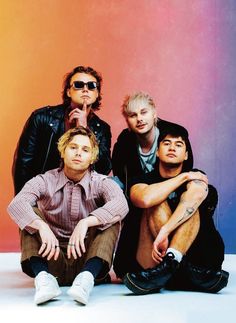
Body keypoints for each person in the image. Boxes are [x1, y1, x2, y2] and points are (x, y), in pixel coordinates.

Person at [8, 126, 128, 305]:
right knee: (29, 215)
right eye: (73, 147)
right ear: (63, 152)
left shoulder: (100, 182)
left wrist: (86, 222)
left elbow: (121, 204)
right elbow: (16, 204)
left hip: (86, 257)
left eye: (85, 150)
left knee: (110, 218)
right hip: (51, 257)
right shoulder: (44, 180)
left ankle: (85, 281)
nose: (78, 153)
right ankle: (44, 280)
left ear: (92, 158)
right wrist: (41, 226)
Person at [119, 126, 229, 294]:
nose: (172, 147)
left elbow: (196, 194)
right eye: (166, 143)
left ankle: (171, 264)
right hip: (150, 258)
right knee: (155, 201)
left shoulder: (197, 177)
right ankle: (177, 269)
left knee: (192, 204)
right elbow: (145, 198)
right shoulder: (141, 179)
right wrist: (183, 177)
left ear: (185, 154)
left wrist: (165, 230)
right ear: (157, 151)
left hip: (197, 258)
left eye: (178, 144)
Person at [13, 65, 112, 195]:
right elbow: (23, 163)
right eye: (78, 85)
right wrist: (25, 200)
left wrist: (84, 129)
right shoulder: (42, 118)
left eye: (91, 86)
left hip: (82, 199)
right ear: (68, 92)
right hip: (44, 194)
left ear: (97, 93)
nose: (85, 89)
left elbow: (103, 169)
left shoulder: (102, 129)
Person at [112, 91, 193, 194]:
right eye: (133, 115)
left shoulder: (175, 132)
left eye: (144, 112)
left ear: (154, 114)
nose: (139, 119)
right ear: (127, 121)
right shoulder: (124, 140)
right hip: (139, 194)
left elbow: (187, 166)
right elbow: (120, 175)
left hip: (172, 189)